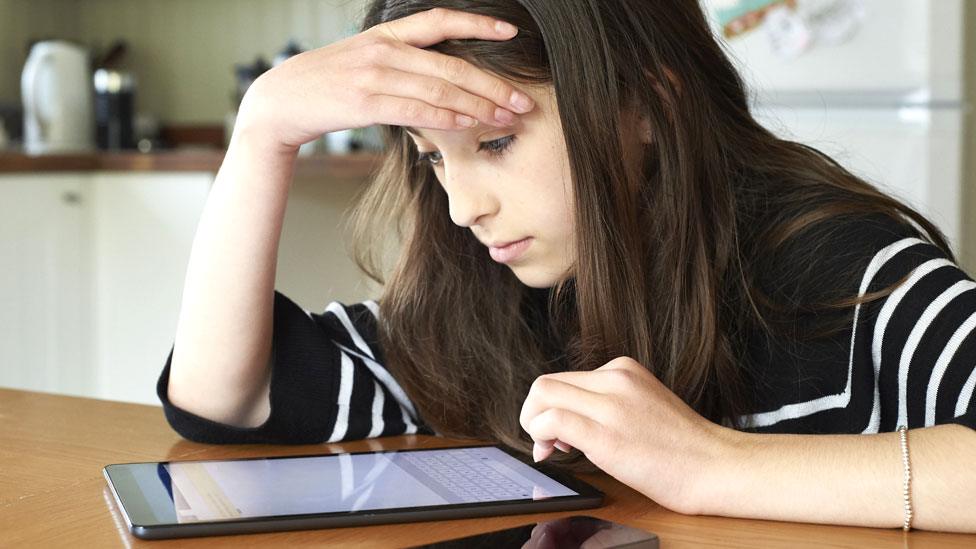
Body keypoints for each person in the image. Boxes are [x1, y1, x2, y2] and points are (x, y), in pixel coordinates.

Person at [157, 0, 976, 533]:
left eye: (496, 144)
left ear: (648, 108)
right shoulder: (500, 291)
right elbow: (225, 398)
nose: (461, 206)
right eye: (434, 160)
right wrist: (263, 131)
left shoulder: (838, 265)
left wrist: (711, 462)